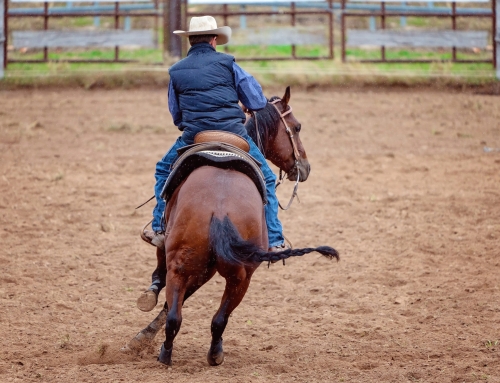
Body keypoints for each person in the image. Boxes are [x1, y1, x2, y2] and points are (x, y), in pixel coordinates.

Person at [139, 16, 287, 305]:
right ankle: (276, 236)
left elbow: (177, 116)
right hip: (233, 134)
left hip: (196, 137)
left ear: (190, 40)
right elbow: (257, 102)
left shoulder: (176, 71)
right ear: (214, 40)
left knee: (162, 170)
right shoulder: (229, 64)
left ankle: (158, 227)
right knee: (267, 178)